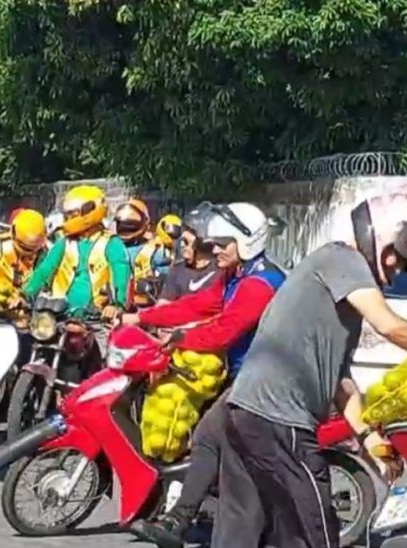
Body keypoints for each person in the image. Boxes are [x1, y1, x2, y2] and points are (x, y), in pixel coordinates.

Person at [220, 193, 407, 548]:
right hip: (280, 419)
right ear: (379, 236)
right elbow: (388, 325)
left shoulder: (342, 300)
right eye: (397, 260)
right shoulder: (342, 257)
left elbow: (339, 378)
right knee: (316, 531)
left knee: (254, 534)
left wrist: (370, 439)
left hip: (247, 413)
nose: (396, 271)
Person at [124, 202, 285, 548]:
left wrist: (181, 337)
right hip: (246, 374)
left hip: (265, 379)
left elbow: (225, 330)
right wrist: (145, 318)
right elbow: (199, 305)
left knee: (208, 435)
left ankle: (179, 520)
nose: (212, 251)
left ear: (245, 241)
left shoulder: (260, 282)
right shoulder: (236, 274)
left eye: (219, 244)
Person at [23, 185, 131, 326]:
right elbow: (44, 270)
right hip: (59, 316)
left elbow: (121, 275)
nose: (68, 220)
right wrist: (24, 295)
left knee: (109, 346)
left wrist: (117, 305)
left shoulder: (112, 243)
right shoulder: (63, 243)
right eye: (66, 216)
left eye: (72, 216)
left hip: (97, 318)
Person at [158, 224, 220, 303]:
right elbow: (163, 305)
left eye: (187, 243)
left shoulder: (220, 272)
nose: (184, 250)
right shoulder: (177, 270)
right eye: (182, 243)